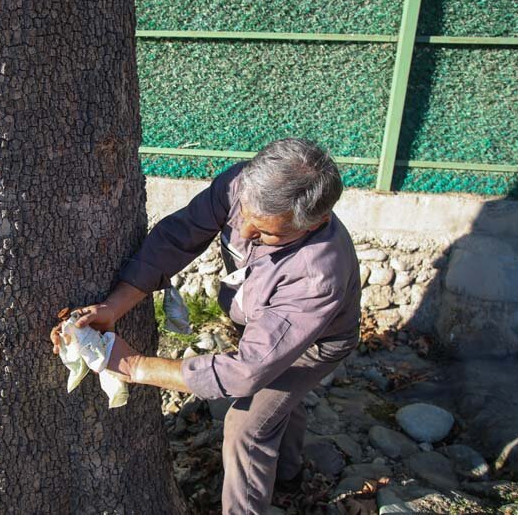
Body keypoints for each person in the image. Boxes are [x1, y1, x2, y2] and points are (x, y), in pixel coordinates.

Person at [51, 138, 361, 514]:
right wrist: (113, 306)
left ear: (316, 223)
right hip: (262, 321)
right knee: (279, 399)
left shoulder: (316, 275)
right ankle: (290, 475)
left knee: (247, 426)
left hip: (317, 344)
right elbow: (177, 238)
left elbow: (246, 373)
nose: (244, 234)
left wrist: (135, 366)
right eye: (243, 216)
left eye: (266, 234)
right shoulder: (242, 186)